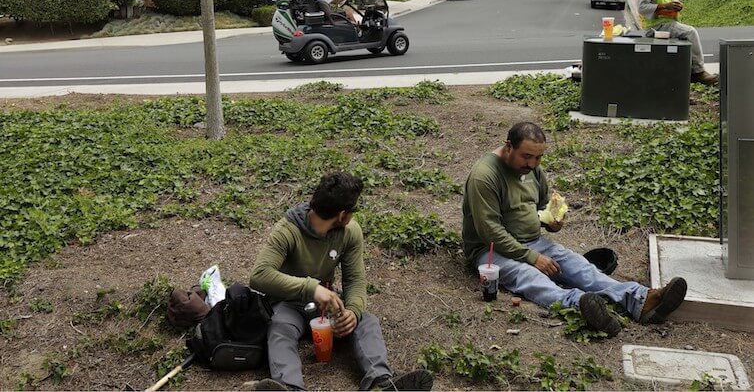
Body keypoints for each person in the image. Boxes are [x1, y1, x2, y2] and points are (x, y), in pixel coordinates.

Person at [462, 122, 688, 337]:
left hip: (532, 242)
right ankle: (580, 306)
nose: (532, 164)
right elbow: (489, 230)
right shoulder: (485, 176)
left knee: (577, 265)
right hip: (490, 251)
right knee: (529, 276)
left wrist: (550, 221)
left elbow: (540, 207)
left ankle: (639, 299)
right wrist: (532, 258)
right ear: (509, 146)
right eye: (527, 156)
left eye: (539, 157)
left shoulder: (533, 170)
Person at [249, 172, 433, 391]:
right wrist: (311, 288)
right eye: (353, 209)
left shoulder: (349, 232)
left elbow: (354, 279)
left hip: (327, 304)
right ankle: (289, 386)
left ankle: (381, 382)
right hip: (289, 303)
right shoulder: (288, 230)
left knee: (367, 321)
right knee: (279, 328)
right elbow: (259, 275)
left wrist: (352, 312)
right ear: (343, 214)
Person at [634, 0, 718, 85]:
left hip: (670, 23)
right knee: (690, 32)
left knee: (678, 56)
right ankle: (698, 72)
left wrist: (677, 5)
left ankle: (680, 88)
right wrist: (664, 6)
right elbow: (642, 8)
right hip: (655, 27)